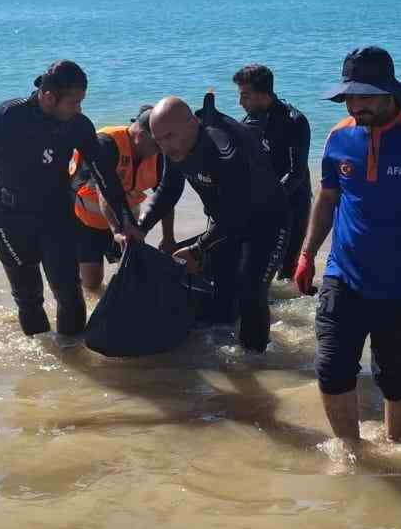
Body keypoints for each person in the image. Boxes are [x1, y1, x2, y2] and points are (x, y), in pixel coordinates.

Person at [293, 47, 401, 445]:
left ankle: (398, 449)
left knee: (396, 380)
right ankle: (352, 455)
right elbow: (327, 199)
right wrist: (307, 253)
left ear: (390, 94)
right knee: (331, 372)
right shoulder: (339, 137)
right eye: (350, 95)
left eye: (366, 95)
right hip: (344, 277)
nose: (356, 104)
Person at [0, 60, 139, 337]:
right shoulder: (8, 117)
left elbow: (105, 174)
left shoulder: (77, 126)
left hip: (56, 214)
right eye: (74, 102)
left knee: (69, 295)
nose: (79, 109)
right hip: (10, 217)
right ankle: (43, 362)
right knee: (28, 299)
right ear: (48, 97)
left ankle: (72, 359)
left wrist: (125, 219)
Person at [137, 94, 287, 352]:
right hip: (225, 221)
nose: (164, 146)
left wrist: (198, 248)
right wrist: (139, 228)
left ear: (191, 123)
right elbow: (168, 191)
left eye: (169, 136)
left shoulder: (222, 142)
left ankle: (257, 360)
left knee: (251, 291)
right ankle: (222, 351)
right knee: (221, 289)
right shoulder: (173, 147)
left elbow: (238, 211)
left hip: (267, 221)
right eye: (158, 139)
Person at [70, 104, 175, 292]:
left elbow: (166, 197)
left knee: (134, 273)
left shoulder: (158, 155)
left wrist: (168, 237)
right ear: (140, 136)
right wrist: (116, 230)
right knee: (92, 283)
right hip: (86, 221)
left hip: (127, 219)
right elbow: (105, 192)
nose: (160, 151)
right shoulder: (106, 143)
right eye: (156, 145)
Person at [233, 64, 313, 283]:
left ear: (263, 94)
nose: (240, 103)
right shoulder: (248, 123)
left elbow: (296, 172)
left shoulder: (294, 121)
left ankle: (289, 313)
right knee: (256, 264)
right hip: (264, 202)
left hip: (293, 200)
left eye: (245, 96)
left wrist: (265, 202)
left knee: (286, 270)